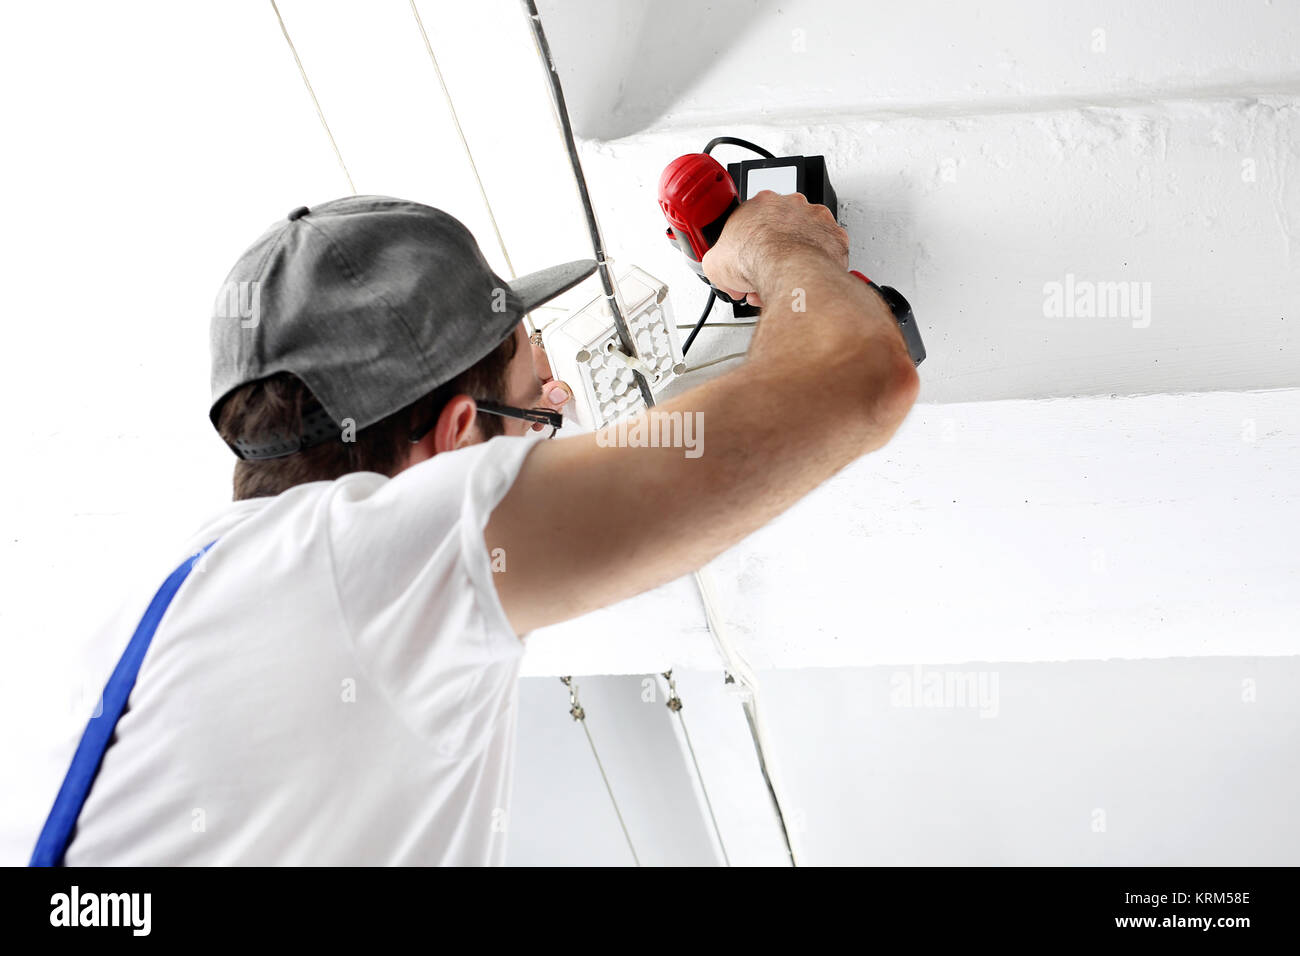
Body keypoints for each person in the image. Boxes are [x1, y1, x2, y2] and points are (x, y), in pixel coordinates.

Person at [40, 191, 918, 865]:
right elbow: (858, 380)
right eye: (539, 408)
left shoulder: (147, 608)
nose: (561, 408)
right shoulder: (378, 554)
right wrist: (784, 248)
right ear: (459, 441)